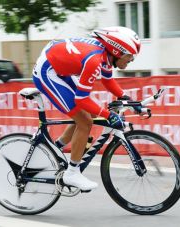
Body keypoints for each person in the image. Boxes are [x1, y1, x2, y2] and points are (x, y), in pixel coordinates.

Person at [32, 26, 141, 191]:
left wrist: (127, 99)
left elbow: (108, 80)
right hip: (48, 72)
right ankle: (72, 173)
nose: (131, 60)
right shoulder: (95, 60)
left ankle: (55, 148)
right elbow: (81, 99)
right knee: (84, 121)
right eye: (129, 56)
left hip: (59, 65)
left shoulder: (105, 55)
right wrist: (107, 115)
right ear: (117, 52)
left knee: (86, 115)